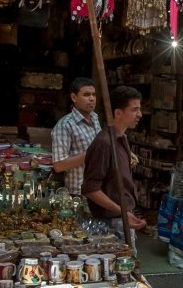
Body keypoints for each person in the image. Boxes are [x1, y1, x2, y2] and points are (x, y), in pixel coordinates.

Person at [83, 86, 148, 246]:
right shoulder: (104, 143)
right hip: (110, 223)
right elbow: (91, 189)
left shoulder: (121, 138)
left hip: (120, 218)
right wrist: (122, 212)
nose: (139, 114)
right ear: (118, 113)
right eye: (134, 110)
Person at [50, 77, 100, 194]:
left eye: (94, 94)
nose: (92, 98)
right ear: (74, 97)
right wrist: (92, 152)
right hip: (78, 193)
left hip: (98, 190)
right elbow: (59, 165)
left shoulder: (95, 118)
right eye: (86, 95)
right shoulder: (65, 125)